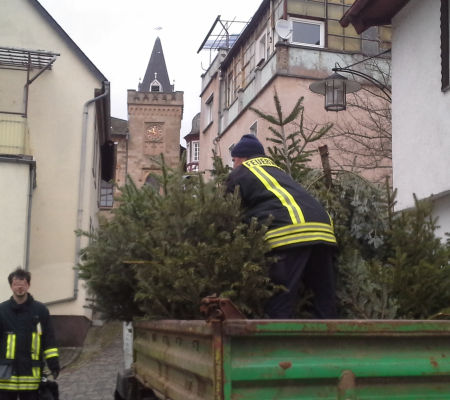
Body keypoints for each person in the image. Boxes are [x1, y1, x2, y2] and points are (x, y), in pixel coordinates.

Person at [226, 134, 338, 319]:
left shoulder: (240, 173)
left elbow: (226, 212)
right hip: (324, 232)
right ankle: (331, 345)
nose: (233, 165)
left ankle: (279, 345)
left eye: (233, 160)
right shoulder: (278, 172)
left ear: (242, 157)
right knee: (324, 301)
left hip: (288, 235)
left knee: (280, 300)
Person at [0, 268, 60, 400]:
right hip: (6, 378)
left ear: (28, 285)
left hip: (31, 377)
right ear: (11, 286)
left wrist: (53, 364)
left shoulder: (40, 310)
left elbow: (48, 339)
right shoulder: (1, 311)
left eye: (23, 284)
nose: (20, 287)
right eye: (16, 284)